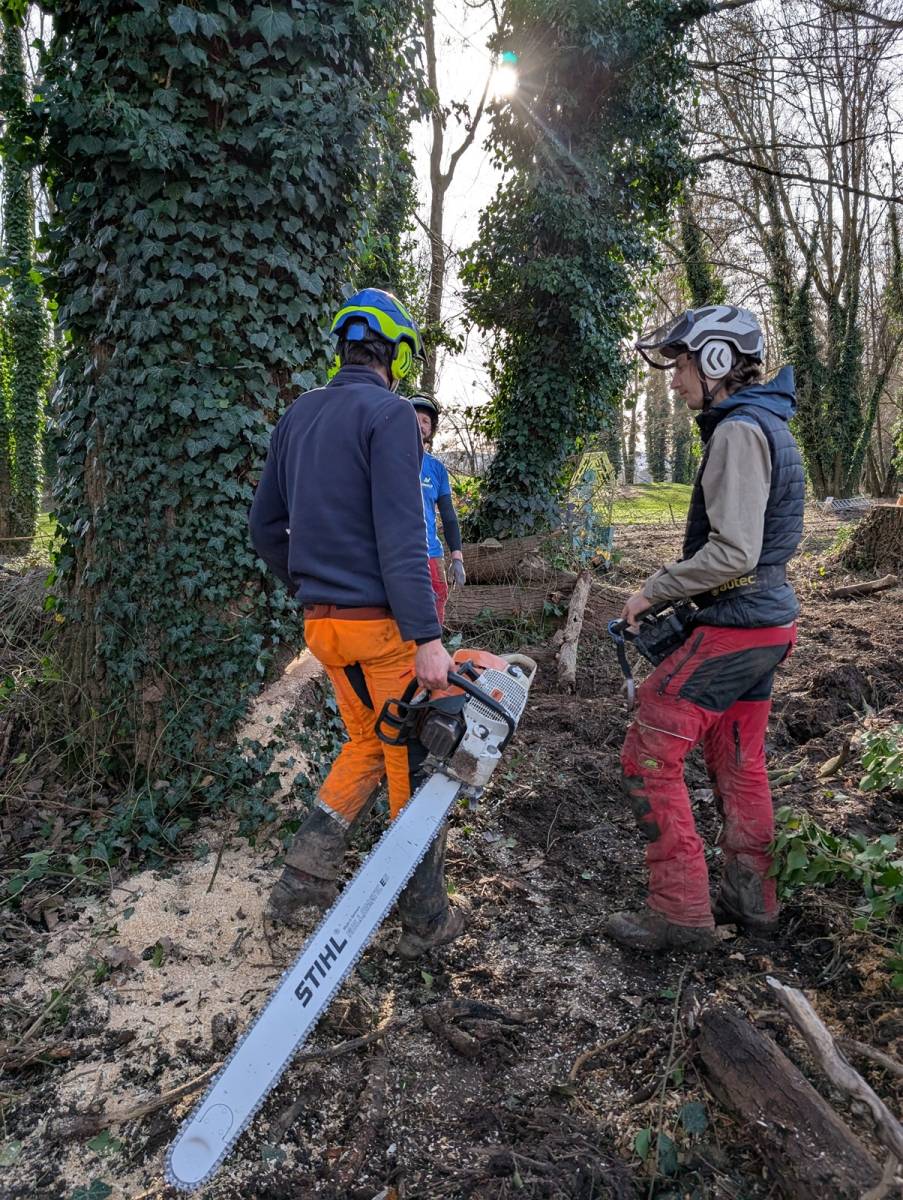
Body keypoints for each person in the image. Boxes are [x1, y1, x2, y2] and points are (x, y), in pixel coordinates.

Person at [248, 287, 466, 959]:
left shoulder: (297, 416)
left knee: (368, 742)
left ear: (342, 345)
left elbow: (264, 529)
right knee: (415, 759)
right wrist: (427, 638)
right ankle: (424, 917)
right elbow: (403, 536)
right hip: (380, 633)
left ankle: (300, 882)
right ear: (394, 353)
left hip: (324, 628)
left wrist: (311, 588)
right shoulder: (390, 414)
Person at [606, 305, 804, 953]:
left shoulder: (738, 432)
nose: (673, 379)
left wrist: (652, 591)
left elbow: (733, 553)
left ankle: (681, 913)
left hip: (735, 628)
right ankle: (755, 901)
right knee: (739, 759)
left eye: (681, 363)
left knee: (648, 754)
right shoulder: (764, 423)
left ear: (716, 360)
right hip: (766, 625)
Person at [408, 395, 466, 624]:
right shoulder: (386, 458)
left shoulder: (437, 469)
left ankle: (431, 655)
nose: (420, 425)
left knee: (437, 602)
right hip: (400, 553)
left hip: (431, 552)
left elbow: (449, 516)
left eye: (425, 421)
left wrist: (457, 557)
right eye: (414, 419)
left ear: (431, 430)